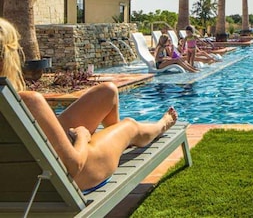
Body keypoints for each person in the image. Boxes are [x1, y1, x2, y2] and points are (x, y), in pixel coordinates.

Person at [0, 17, 179, 193]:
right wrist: (82, 137)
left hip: (22, 173)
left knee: (107, 92)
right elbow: (74, 166)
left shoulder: (20, 103)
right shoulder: (30, 102)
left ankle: (115, 143)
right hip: (74, 176)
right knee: (129, 126)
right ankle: (158, 126)